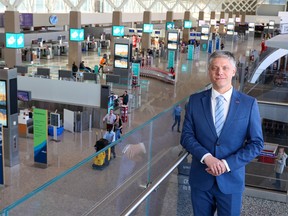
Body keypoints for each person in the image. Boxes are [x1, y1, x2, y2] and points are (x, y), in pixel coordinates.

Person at [180, 51, 264, 216]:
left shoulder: (248, 104)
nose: (220, 72)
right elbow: (187, 136)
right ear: (209, 71)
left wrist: (226, 165)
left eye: (225, 68)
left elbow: (256, 144)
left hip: (231, 181)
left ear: (233, 71)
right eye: (215, 68)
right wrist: (207, 157)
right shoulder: (195, 101)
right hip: (201, 180)